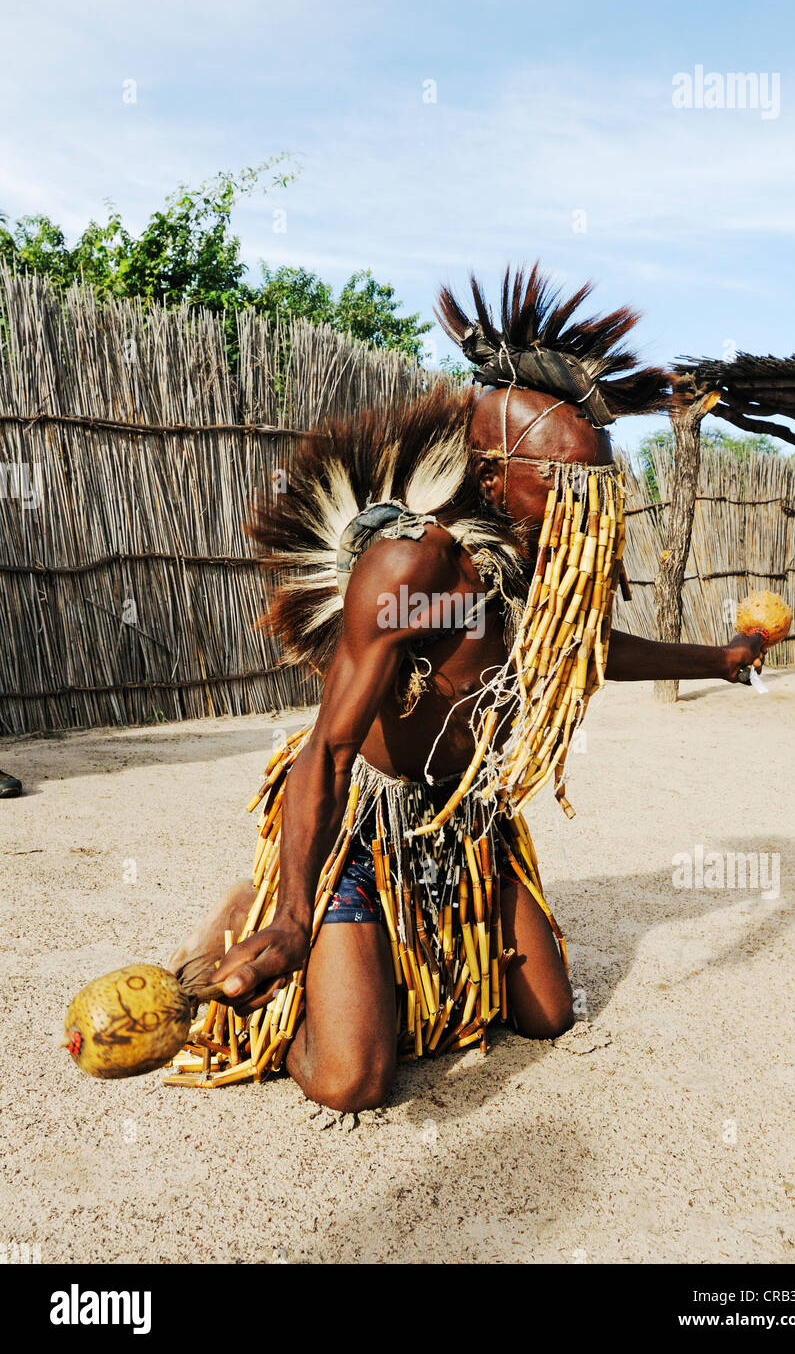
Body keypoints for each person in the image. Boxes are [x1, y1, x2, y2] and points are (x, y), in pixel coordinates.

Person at [169, 265, 765, 1112]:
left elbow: (582, 649)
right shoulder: (411, 566)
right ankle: (264, 929)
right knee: (354, 1082)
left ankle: (382, 977)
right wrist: (295, 916)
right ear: (493, 480)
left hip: (467, 815)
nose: (584, 510)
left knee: (549, 1016)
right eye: (564, 486)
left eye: (597, 487)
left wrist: (716, 659)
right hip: (360, 830)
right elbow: (331, 749)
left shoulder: (533, 573)